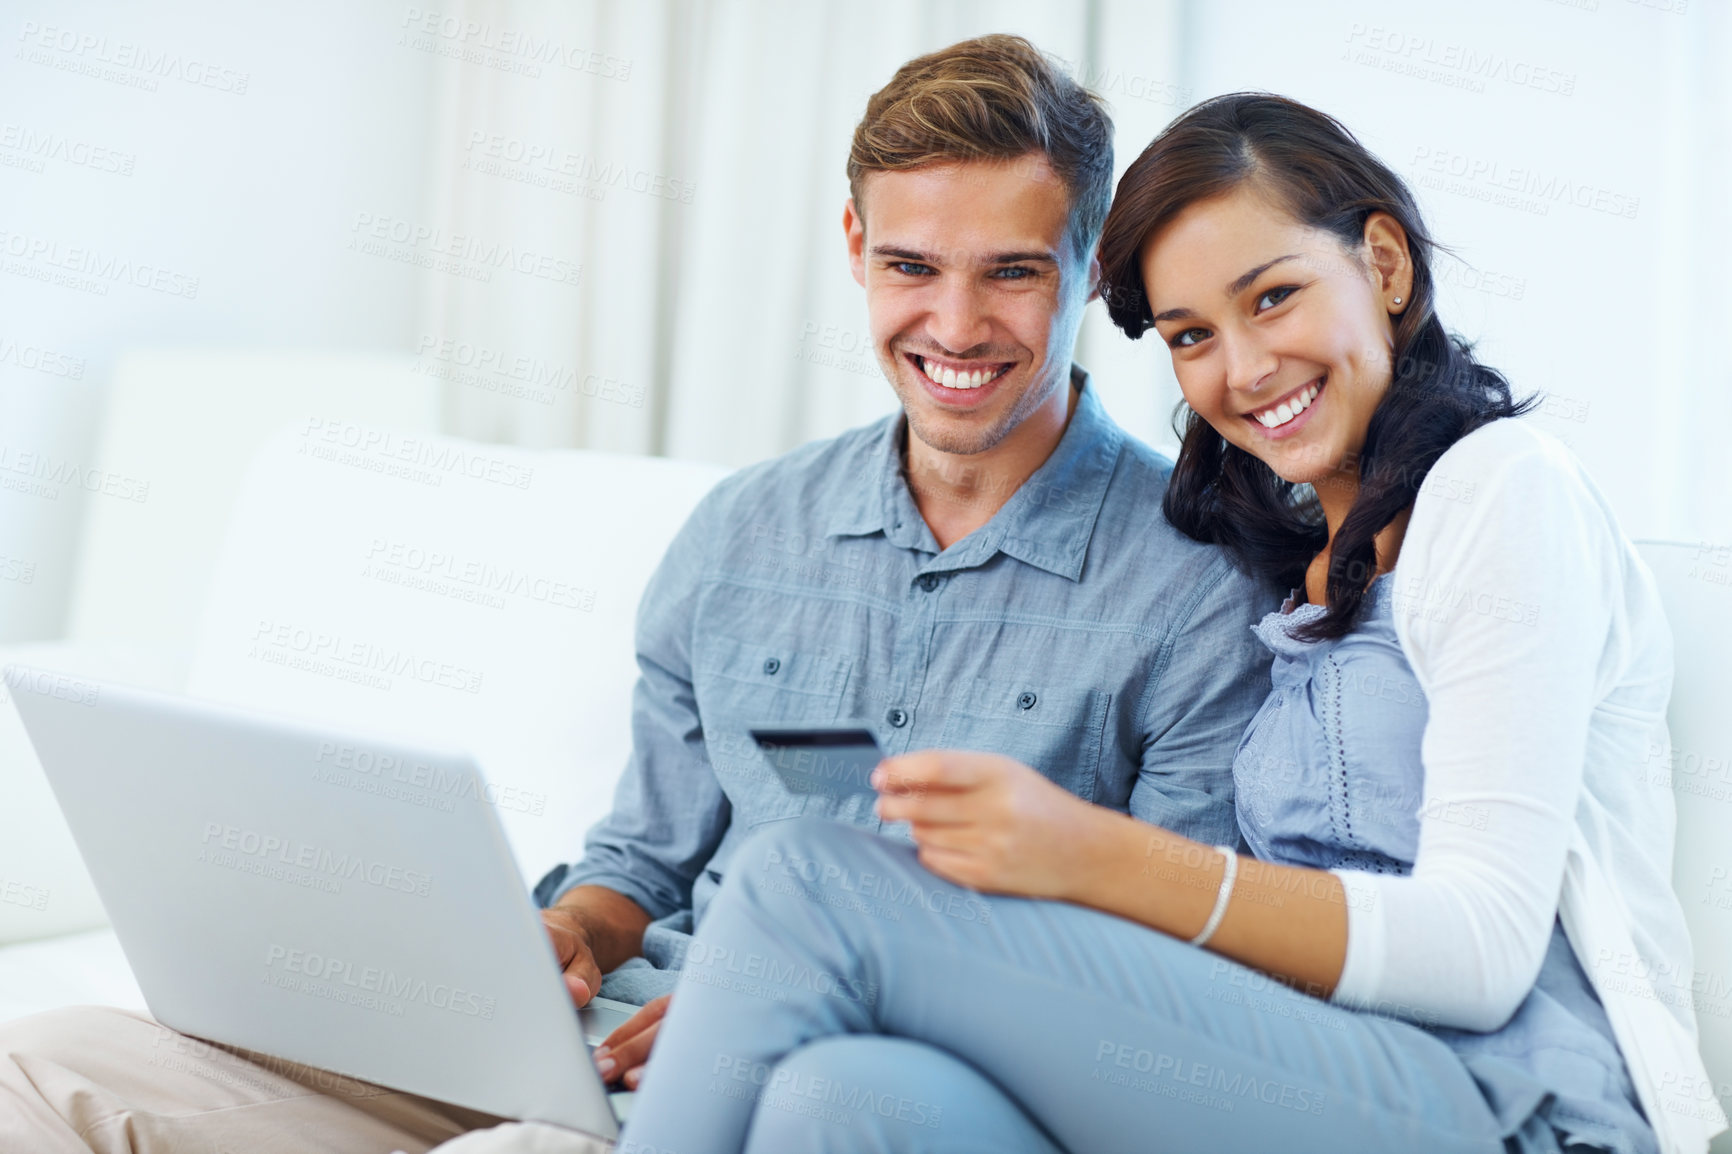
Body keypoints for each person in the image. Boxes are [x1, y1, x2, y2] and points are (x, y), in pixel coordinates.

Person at [0, 38, 1274, 1154]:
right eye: (909, 266)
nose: (952, 322)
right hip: (598, 1040)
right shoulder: (742, 531)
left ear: (1087, 267)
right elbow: (643, 860)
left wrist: (798, 1000)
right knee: (44, 1064)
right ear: (852, 247)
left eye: (1011, 271)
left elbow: (1153, 970)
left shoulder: (1195, 580)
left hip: (814, 1079)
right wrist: (566, 935)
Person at [615, 93, 1729, 1154]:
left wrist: (1090, 854)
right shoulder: (1282, 572)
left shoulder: (1502, 488)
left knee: (813, 877)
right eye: (1192, 335)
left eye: (1274, 297)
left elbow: (1482, 952)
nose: (1242, 368)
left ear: (1382, 263)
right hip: (1273, 1068)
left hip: (1491, 1101)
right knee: (842, 1096)